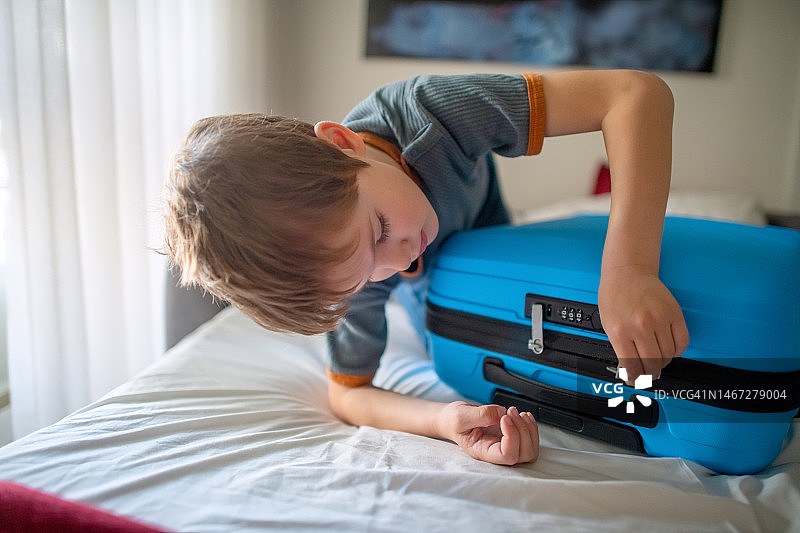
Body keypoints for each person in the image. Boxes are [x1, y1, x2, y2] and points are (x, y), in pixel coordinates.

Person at [164, 70, 690, 466]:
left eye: (378, 230)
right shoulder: (341, 271)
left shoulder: (429, 115)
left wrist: (630, 268)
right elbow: (348, 393)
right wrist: (443, 420)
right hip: (451, 304)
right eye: (368, 275)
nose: (399, 260)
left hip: (493, 238)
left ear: (344, 144)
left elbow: (634, 94)